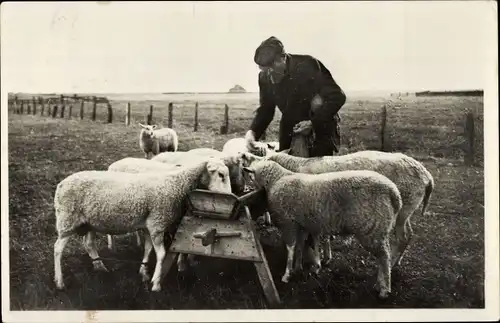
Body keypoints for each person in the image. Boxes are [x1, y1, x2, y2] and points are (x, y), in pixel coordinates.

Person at [245, 36, 346, 157]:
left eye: (272, 70)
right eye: (265, 71)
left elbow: (337, 96)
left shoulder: (308, 65)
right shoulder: (264, 78)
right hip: (290, 128)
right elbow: (266, 110)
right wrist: (253, 132)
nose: (269, 77)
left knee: (316, 172)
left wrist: (313, 123)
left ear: (283, 58)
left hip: (320, 126)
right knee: (286, 169)